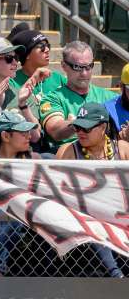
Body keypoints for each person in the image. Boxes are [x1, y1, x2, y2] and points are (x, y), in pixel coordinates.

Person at [56, 103, 126, 278]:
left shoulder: (123, 149)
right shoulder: (67, 152)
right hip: (84, 216)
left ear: (103, 127)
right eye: (78, 127)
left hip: (120, 215)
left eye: (86, 128)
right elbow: (58, 191)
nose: (80, 132)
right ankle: (116, 274)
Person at [0, 111, 39, 277]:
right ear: (5, 136)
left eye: (28, 132)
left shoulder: (34, 159)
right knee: (4, 212)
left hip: (28, 212)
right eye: (23, 132)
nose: (29, 136)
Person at [40, 41, 117, 153]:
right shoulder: (53, 98)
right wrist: (79, 124)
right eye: (77, 67)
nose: (84, 73)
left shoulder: (109, 97)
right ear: (64, 66)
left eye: (89, 67)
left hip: (105, 156)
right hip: (69, 158)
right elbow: (55, 131)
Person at [9, 29, 66, 103]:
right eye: (41, 46)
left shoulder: (58, 78)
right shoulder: (12, 81)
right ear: (27, 55)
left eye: (47, 45)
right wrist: (33, 79)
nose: (47, 49)